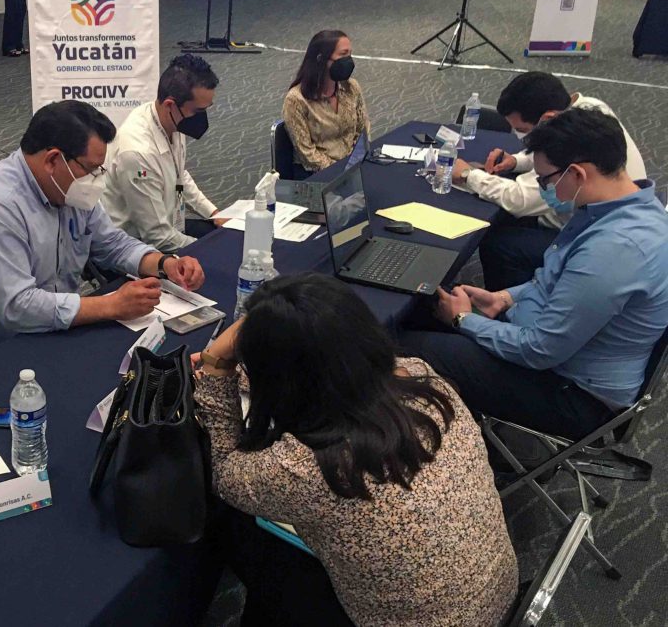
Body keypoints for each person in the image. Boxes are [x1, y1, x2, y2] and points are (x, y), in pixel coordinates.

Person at [193, 273, 517, 627]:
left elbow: (225, 473)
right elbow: (328, 367)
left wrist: (217, 364)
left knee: (237, 526)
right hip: (496, 599)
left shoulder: (305, 466)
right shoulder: (423, 380)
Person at [406, 108, 668, 441]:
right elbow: (553, 281)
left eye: (545, 179)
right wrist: (504, 297)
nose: (545, 188)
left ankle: (449, 456)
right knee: (421, 303)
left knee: (407, 345)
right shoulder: (621, 208)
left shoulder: (616, 249)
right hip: (553, 349)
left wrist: (464, 322)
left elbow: (538, 350)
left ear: (577, 174)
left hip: (572, 393)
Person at [0, 100, 206, 369]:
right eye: (90, 169)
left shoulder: (66, 188)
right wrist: (111, 304)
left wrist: (164, 264)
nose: (97, 179)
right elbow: (19, 307)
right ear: (53, 160)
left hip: (54, 330)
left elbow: (112, 243)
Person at [451, 71, 647, 290]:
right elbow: (551, 149)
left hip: (589, 231)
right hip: (614, 215)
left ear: (548, 118)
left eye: (522, 130)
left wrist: (468, 175)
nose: (521, 138)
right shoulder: (590, 109)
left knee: (499, 240)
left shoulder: (571, 160)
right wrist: (516, 161)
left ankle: (505, 307)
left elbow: (521, 199)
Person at [103, 54, 228, 252]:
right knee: (222, 252)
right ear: (170, 104)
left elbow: (179, 176)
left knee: (228, 237)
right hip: (135, 246)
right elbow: (157, 237)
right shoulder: (137, 153)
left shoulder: (170, 119)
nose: (201, 117)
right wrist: (206, 251)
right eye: (197, 110)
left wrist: (213, 212)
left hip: (168, 222)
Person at [281, 29, 370, 176]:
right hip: (317, 174)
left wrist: (356, 161)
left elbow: (362, 129)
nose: (349, 60)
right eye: (343, 54)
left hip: (351, 167)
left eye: (350, 54)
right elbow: (307, 153)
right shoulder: (296, 100)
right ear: (321, 59)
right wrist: (341, 172)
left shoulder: (352, 87)